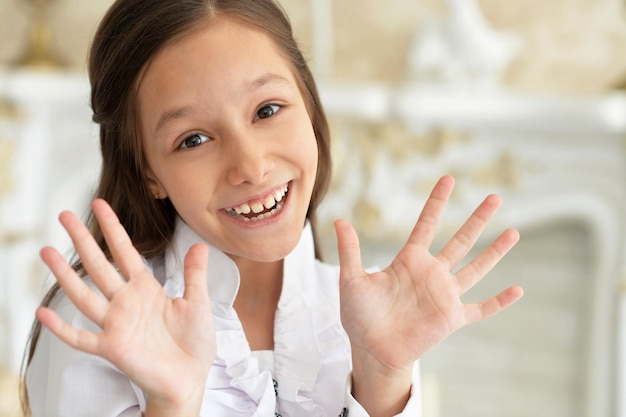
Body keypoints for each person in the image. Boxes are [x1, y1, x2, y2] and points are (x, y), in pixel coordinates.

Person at [20, 0, 524, 416]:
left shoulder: (372, 316)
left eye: (267, 110)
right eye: (193, 139)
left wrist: (382, 381)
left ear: (308, 104)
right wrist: (170, 404)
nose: (251, 165)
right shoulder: (102, 320)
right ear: (148, 171)